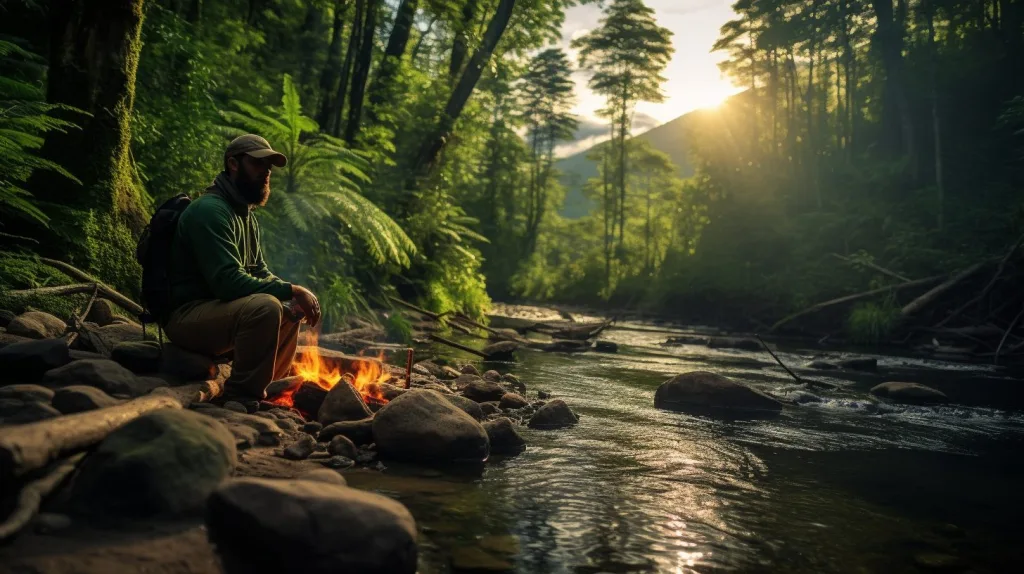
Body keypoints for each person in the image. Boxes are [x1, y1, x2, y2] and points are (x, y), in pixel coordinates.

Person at [164, 134, 322, 401]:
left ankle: (269, 385)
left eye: (269, 167)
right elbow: (227, 282)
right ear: (233, 164)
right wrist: (292, 289)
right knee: (267, 307)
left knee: (291, 309)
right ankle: (242, 395)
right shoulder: (210, 211)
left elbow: (259, 271)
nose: (267, 172)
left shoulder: (245, 215)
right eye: (258, 164)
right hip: (187, 317)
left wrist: (293, 295)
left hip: (223, 314)